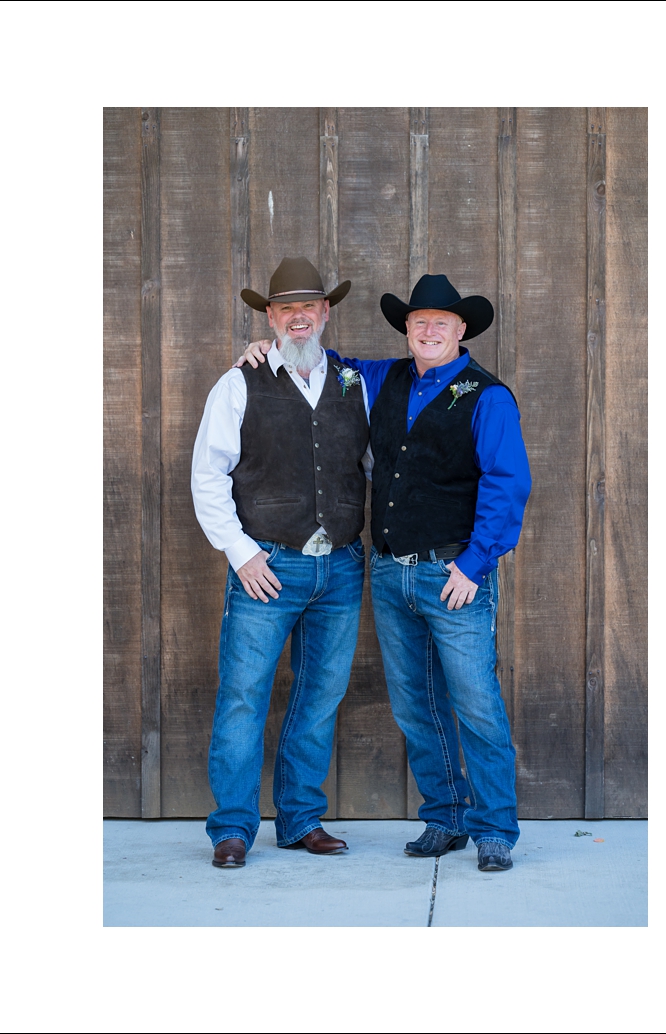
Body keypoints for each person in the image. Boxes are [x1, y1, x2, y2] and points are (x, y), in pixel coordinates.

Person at [241, 272, 531, 872]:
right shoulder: (379, 378)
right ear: (406, 328)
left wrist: (474, 565)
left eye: (441, 324)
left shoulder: (487, 396)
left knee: (476, 703)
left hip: (454, 575)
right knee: (416, 704)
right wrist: (265, 350)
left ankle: (495, 829)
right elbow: (320, 361)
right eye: (419, 321)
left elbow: (508, 486)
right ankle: (445, 817)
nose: (429, 330)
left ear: (461, 331)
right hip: (390, 575)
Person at [191, 257, 368, 868]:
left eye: (309, 306)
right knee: (244, 697)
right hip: (268, 567)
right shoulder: (239, 382)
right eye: (285, 308)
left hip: (340, 569)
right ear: (269, 316)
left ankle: (299, 821)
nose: (299, 316)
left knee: (319, 697)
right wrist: (241, 554)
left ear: (325, 313)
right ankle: (233, 829)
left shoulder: (355, 383)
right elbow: (207, 477)